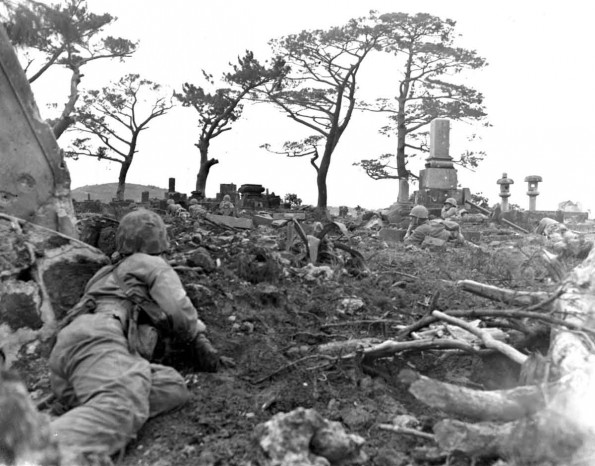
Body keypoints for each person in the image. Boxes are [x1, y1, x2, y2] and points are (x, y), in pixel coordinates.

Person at [48, 208, 220, 466]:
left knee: (173, 387)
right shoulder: (151, 264)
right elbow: (179, 311)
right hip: (101, 341)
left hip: (72, 354)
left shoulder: (104, 274)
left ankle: (86, 417)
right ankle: (29, 450)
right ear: (160, 241)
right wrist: (197, 336)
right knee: (120, 408)